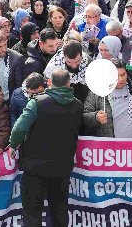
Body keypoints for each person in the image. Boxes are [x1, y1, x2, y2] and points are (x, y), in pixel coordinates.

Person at [9, 68, 83, 227]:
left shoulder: (37, 102)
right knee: (60, 211)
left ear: (49, 82)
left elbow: (19, 128)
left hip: (35, 168)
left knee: (32, 213)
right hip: (62, 168)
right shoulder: (78, 105)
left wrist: (13, 145)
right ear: (68, 83)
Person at [83, 59, 132, 139]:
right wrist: (96, 117)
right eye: (116, 76)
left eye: (123, 74)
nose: (121, 79)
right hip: (110, 148)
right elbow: (84, 116)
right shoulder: (98, 90)